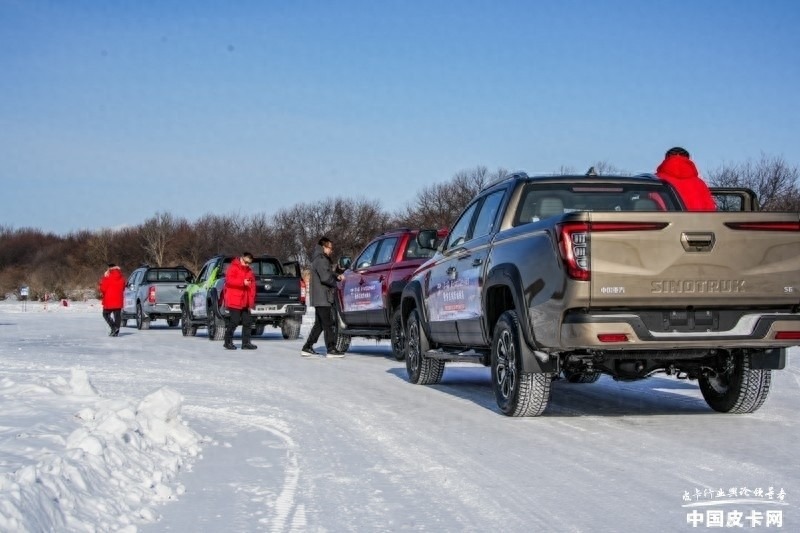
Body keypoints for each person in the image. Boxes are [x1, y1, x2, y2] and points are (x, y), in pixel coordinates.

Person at [301, 237, 345, 358]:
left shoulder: (319, 258)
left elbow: (327, 273)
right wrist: (335, 283)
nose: (331, 250)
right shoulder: (321, 259)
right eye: (330, 248)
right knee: (328, 323)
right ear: (324, 247)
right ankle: (331, 349)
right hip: (322, 297)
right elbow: (325, 277)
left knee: (320, 324)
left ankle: (307, 347)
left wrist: (336, 276)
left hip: (320, 296)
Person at [655, 147, 717, 211]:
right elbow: (710, 209)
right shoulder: (700, 183)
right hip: (696, 220)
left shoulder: (656, 180)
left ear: (666, 159)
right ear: (688, 159)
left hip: (666, 219)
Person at [223, 252, 257, 350]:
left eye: (249, 263)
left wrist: (252, 298)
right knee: (234, 321)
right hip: (234, 299)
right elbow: (229, 281)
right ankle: (227, 341)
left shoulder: (249, 271)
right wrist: (242, 282)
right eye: (246, 262)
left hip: (245, 300)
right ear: (241, 259)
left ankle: (246, 343)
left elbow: (252, 285)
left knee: (247, 322)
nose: (247, 265)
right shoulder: (233, 267)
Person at [98, 263, 125, 336]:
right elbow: (123, 288)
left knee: (105, 314)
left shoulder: (107, 276)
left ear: (109, 268)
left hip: (109, 299)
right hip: (118, 299)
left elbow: (103, 288)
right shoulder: (121, 277)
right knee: (117, 316)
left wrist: (101, 285)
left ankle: (113, 328)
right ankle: (116, 331)